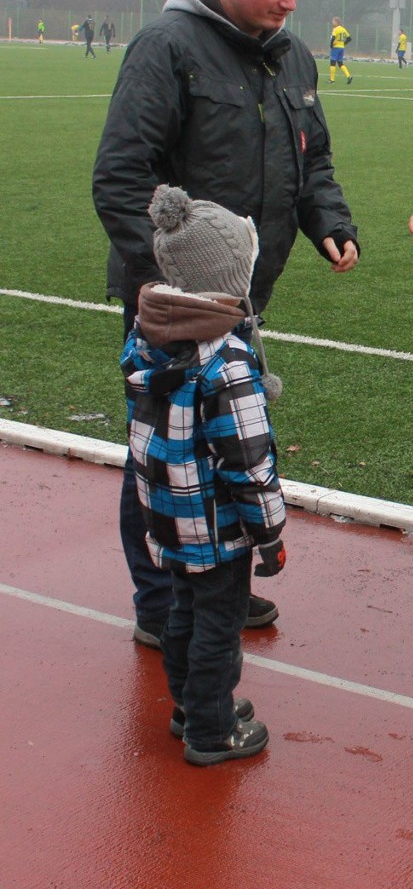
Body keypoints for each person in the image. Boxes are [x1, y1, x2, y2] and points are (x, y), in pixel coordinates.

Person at [93, 0, 359, 650]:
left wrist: (330, 221)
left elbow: (314, 158)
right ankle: (161, 601)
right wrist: (165, 287)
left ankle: (214, 592)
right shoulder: (167, 48)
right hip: (173, 305)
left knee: (224, 444)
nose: (290, 2)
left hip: (246, 294)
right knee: (162, 447)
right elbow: (121, 177)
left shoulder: (292, 57)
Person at [124, 185, 286, 765]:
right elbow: (248, 461)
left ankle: (191, 705)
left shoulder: (150, 336)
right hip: (216, 526)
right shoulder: (228, 361)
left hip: (166, 515)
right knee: (218, 622)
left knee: (182, 612)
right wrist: (269, 531)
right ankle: (212, 731)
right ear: (229, 277)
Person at [329, 17, 353, 83]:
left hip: (335, 48)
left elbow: (333, 37)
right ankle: (348, 76)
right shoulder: (343, 29)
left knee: (332, 63)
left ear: (337, 22)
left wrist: (331, 45)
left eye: (333, 22)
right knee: (340, 63)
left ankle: (332, 79)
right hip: (341, 48)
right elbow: (349, 38)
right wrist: (343, 44)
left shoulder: (335, 29)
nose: (332, 23)